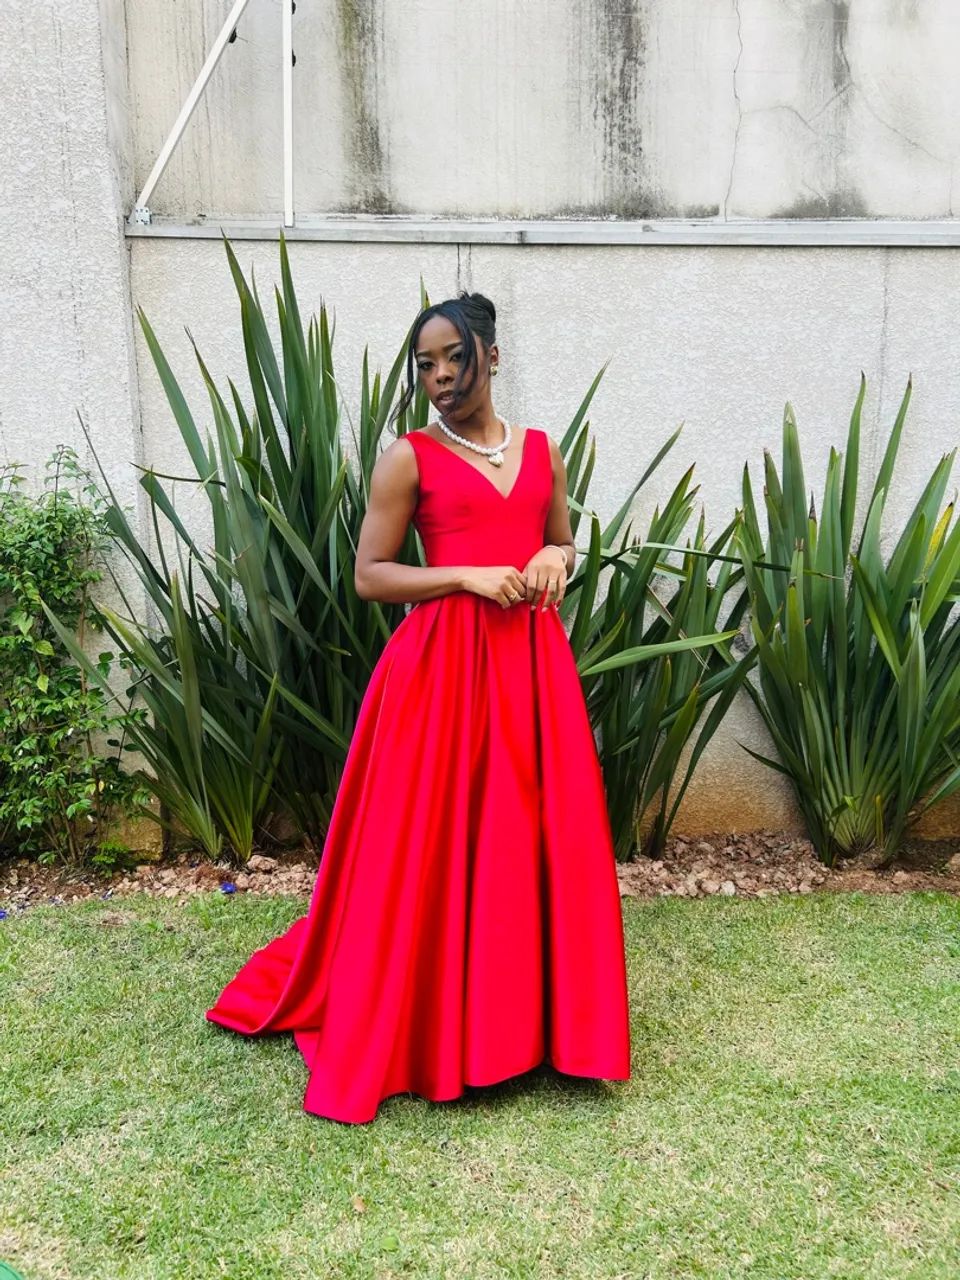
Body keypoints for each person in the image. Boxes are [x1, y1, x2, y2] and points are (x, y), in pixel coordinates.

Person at [205, 291, 631, 1124]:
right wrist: (465, 575)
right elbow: (371, 575)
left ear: (492, 358)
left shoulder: (544, 451)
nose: (440, 377)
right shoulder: (408, 458)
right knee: (437, 846)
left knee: (528, 841)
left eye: (455, 360)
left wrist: (555, 553)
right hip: (441, 675)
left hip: (532, 669)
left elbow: (563, 541)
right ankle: (442, 1030)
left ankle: (536, 1031)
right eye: (426, 364)